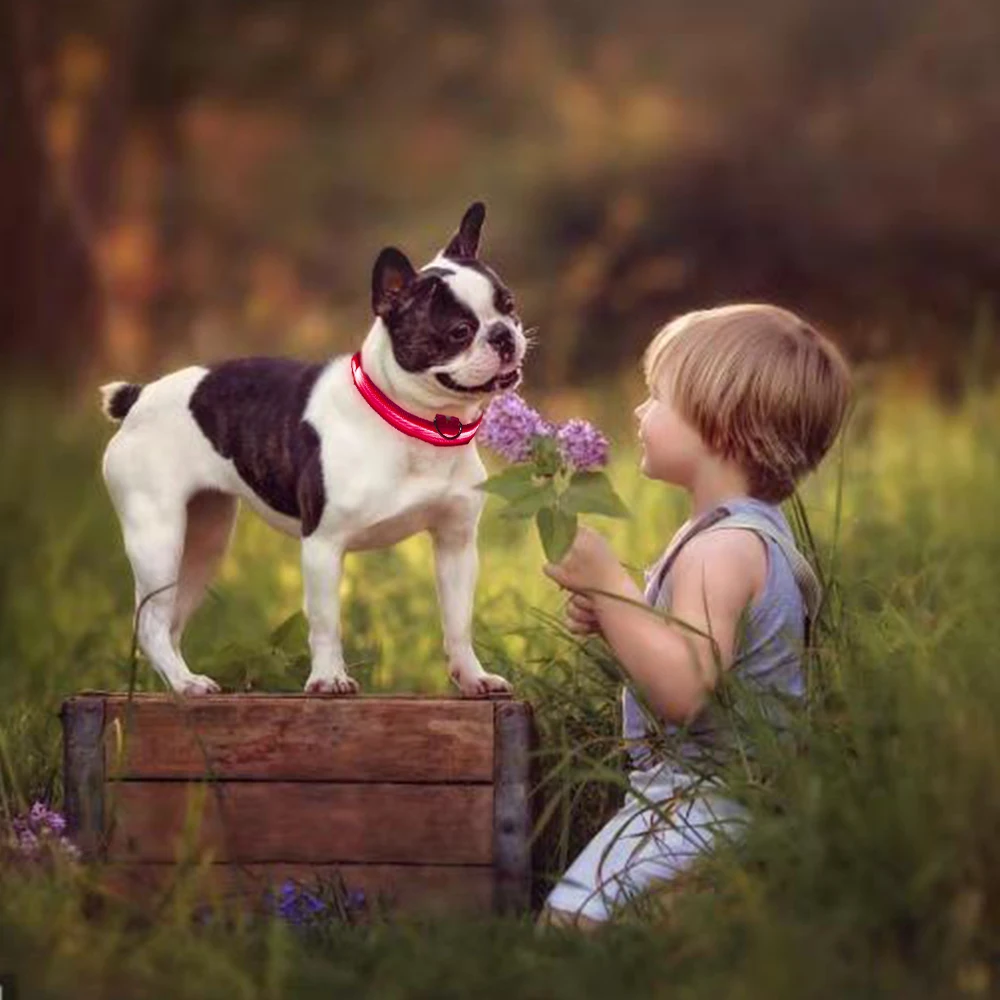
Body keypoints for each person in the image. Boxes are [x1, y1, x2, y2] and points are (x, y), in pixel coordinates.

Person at [537, 303, 852, 930]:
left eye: (658, 397)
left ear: (722, 427)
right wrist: (617, 614)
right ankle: (706, 911)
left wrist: (610, 585)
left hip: (703, 797)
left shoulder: (721, 550)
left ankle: (703, 905)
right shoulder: (739, 535)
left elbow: (684, 688)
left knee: (566, 932)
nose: (640, 411)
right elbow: (695, 650)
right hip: (728, 793)